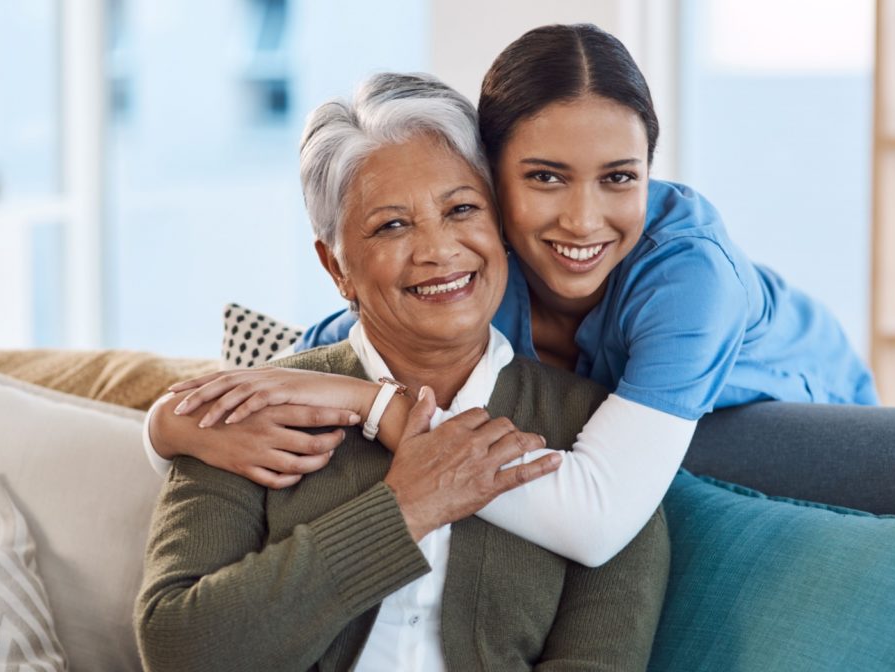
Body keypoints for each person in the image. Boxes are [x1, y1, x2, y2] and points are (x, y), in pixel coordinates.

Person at [159, 23, 877, 565]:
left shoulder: (688, 276)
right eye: (544, 177)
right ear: (490, 181)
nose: (583, 220)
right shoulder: (478, 268)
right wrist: (164, 426)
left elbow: (593, 523)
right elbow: (309, 361)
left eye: (620, 177)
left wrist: (370, 406)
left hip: (798, 427)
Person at [135, 72, 668, 671]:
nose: (438, 251)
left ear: (502, 226)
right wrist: (405, 508)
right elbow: (178, 649)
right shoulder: (251, 411)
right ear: (335, 266)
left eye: (462, 209)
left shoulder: (596, 440)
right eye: (392, 225)